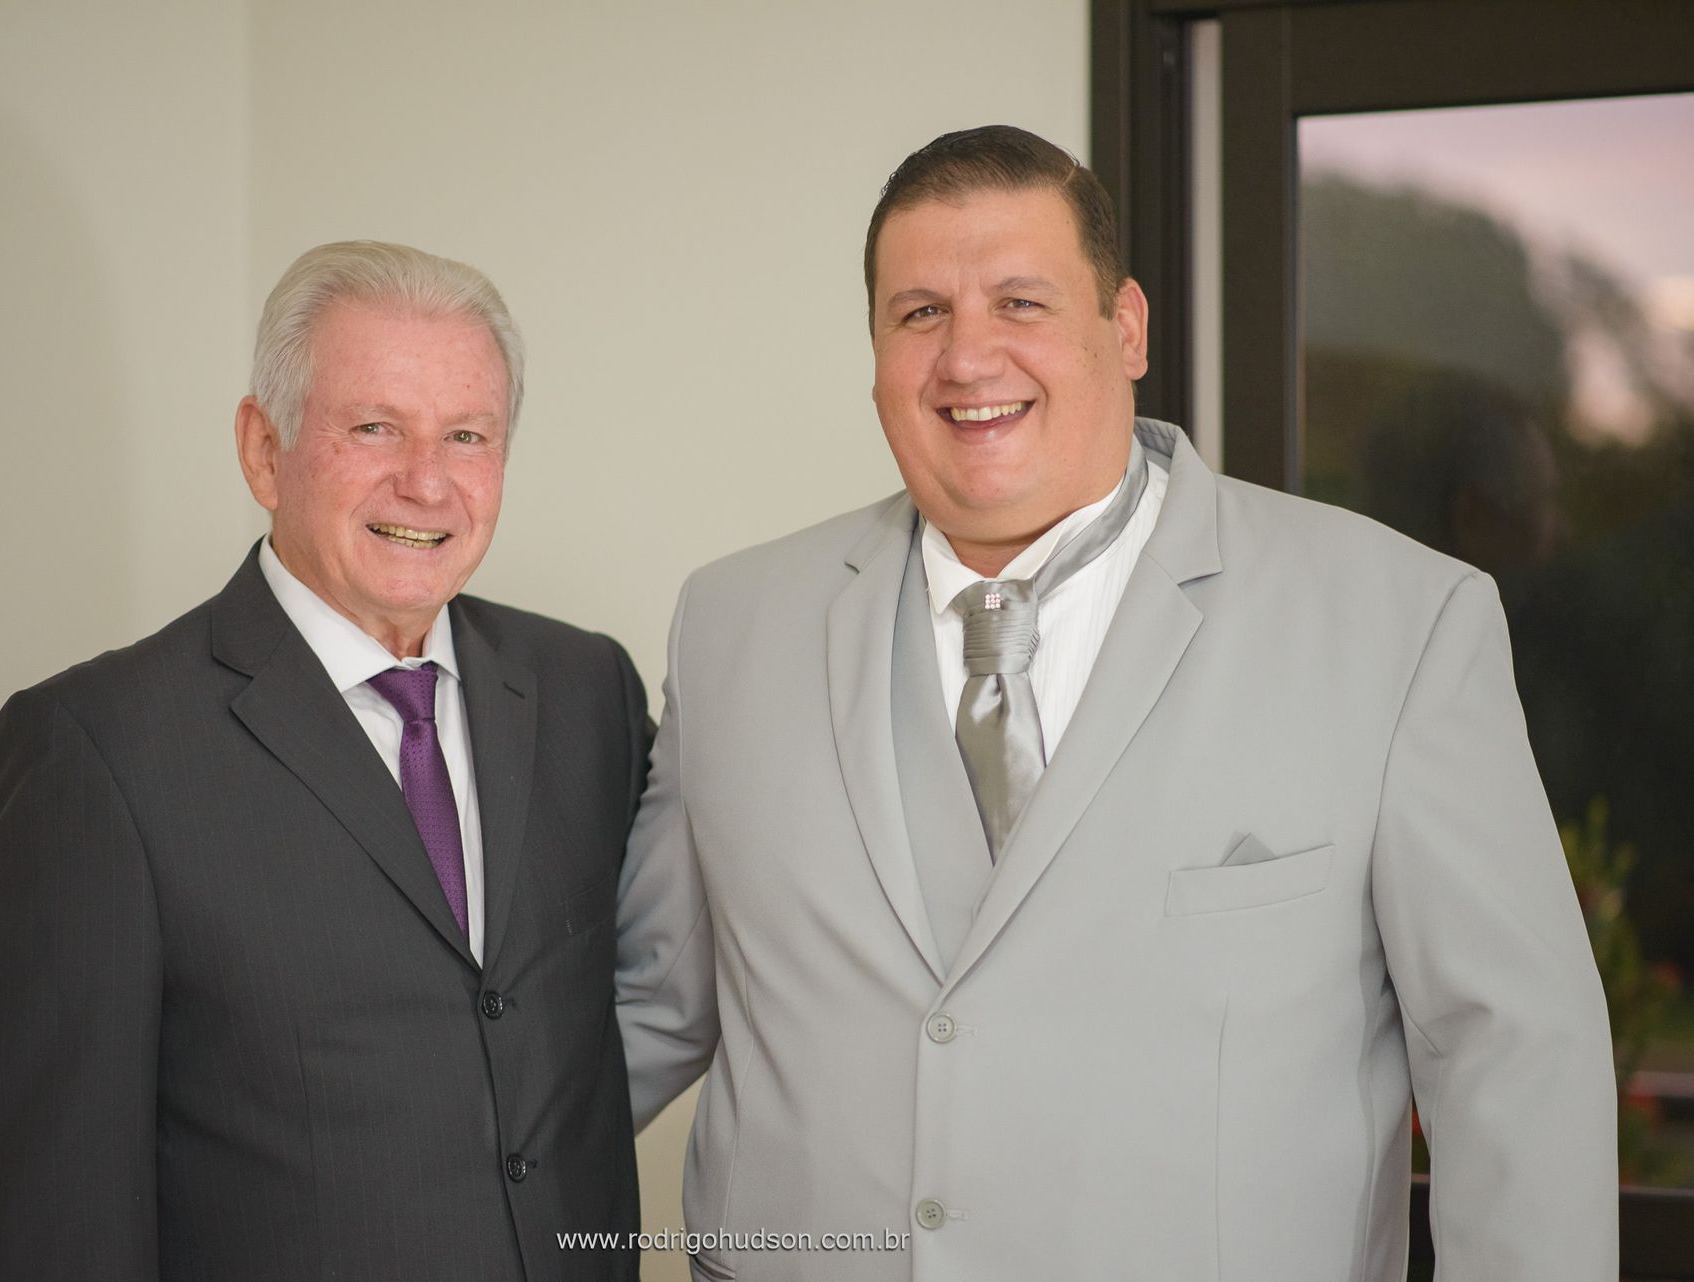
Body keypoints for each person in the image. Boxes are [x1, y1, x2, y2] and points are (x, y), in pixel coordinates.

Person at [615, 127, 1616, 1281]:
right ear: (879, 353)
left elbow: (1516, 1063)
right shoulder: (734, 623)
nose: (967, 357)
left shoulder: (1400, 622)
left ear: (1125, 328)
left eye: (1021, 302)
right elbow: (648, 1009)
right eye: (920, 312)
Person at [0, 241, 646, 1281]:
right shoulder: (96, 751)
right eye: (373, 428)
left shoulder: (589, 693)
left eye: (467, 434)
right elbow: (48, 1221)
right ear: (264, 450)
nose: (428, 480)